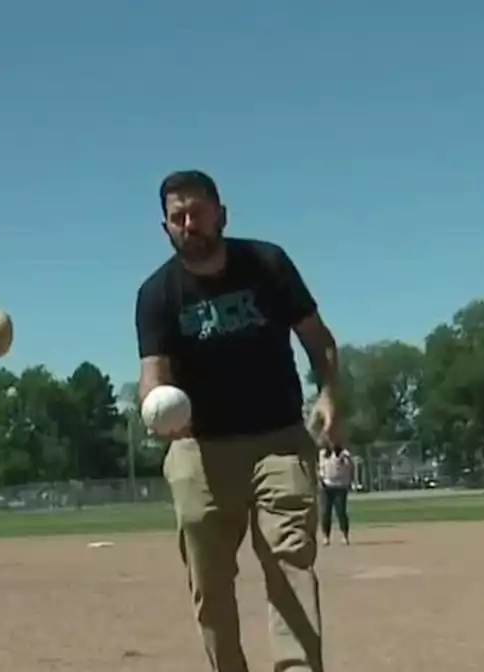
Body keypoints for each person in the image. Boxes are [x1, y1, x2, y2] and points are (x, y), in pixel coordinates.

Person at [134, 169, 340, 672]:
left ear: (220, 214)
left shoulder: (267, 263)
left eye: (197, 212)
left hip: (279, 439)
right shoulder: (156, 294)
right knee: (210, 584)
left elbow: (319, 340)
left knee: (290, 561)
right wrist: (156, 409)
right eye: (177, 217)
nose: (189, 224)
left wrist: (330, 395)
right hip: (199, 447)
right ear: (166, 228)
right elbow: (152, 376)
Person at [318, 443, 355, 545]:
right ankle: (326, 537)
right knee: (325, 512)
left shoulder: (344, 454)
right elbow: (319, 468)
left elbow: (351, 467)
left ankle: (344, 535)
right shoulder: (322, 453)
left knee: (341, 511)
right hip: (326, 485)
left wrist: (351, 481)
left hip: (340, 486)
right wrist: (320, 479)